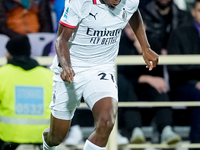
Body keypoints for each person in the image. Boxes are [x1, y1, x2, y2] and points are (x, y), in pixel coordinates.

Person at [42, 0, 159, 149]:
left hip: (102, 67)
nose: (117, 0)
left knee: (107, 121)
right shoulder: (79, 3)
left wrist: (145, 47)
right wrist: (66, 66)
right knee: (56, 137)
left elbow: (133, 11)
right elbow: (61, 40)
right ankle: (46, 144)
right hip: (71, 68)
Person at [117, 23, 181, 145]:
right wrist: (145, 78)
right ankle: (136, 131)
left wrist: (143, 50)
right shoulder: (120, 43)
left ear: (144, 27)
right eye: (128, 28)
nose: (132, 31)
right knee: (129, 91)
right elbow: (121, 74)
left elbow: (158, 72)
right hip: (129, 89)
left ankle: (166, 130)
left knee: (160, 89)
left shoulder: (153, 42)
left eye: (135, 27)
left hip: (147, 89)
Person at [0, 35, 54, 150]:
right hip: (43, 139)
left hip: (9, 139)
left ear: (10, 53)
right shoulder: (49, 76)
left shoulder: (2, 74)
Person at [167, 0, 200, 149]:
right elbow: (173, 68)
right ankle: (196, 143)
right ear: (193, 12)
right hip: (183, 86)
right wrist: (195, 82)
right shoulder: (179, 33)